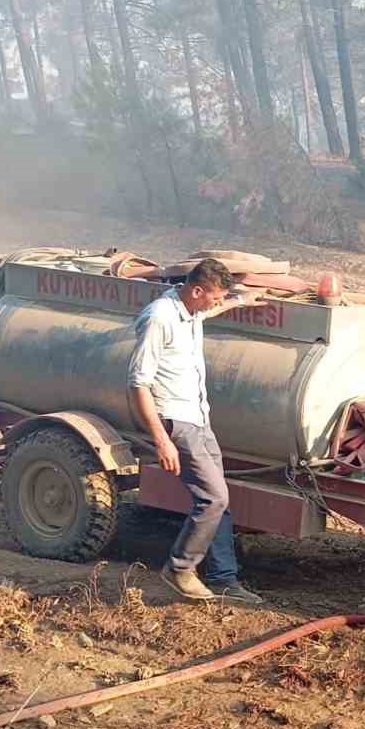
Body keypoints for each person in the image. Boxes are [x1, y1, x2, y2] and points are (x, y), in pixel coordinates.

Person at [127, 257, 266, 604]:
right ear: (197, 289)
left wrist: (240, 301)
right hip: (176, 420)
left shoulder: (190, 311)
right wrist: (162, 440)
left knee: (219, 499)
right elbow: (138, 383)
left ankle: (222, 578)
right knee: (213, 498)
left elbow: (207, 313)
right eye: (215, 296)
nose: (216, 303)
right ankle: (179, 568)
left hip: (199, 416)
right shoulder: (159, 318)